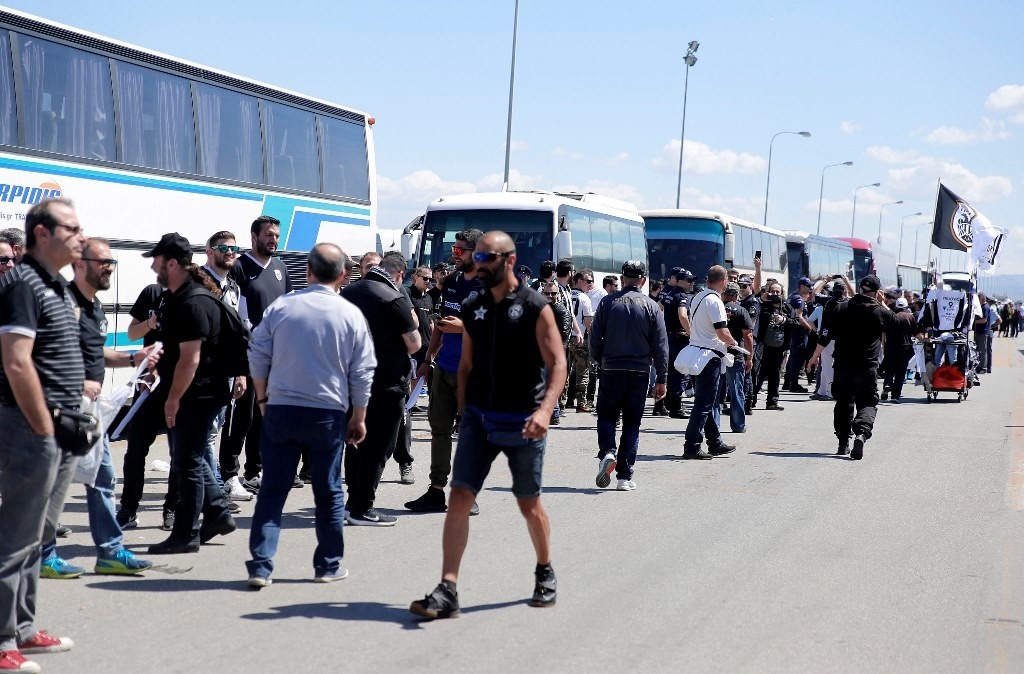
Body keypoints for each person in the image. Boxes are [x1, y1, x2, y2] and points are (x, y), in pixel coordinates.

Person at [409, 231, 566, 619]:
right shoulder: (473, 304)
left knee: (528, 503)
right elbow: (466, 364)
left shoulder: (535, 306)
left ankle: (544, 570)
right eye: (475, 257)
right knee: (459, 498)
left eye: (485, 258)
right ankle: (447, 588)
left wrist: (545, 411)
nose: (477, 265)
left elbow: (558, 364)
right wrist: (465, 412)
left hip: (523, 420)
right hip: (479, 418)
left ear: (509, 260)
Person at [245, 243, 375, 587]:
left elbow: (257, 353)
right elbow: (363, 371)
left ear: (308, 271)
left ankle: (261, 566)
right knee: (329, 491)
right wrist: (359, 415)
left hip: (281, 409)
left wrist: (263, 399)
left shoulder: (282, 307)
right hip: (327, 413)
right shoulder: (350, 315)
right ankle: (328, 566)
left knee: (272, 491)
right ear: (344, 275)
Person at [39, 239, 159, 579]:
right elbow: (40, 354)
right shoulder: (62, 303)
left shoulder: (94, 307)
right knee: (52, 484)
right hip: (60, 409)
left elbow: (96, 352)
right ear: (79, 264)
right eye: (103, 261)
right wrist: (76, 382)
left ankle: (110, 552)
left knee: (103, 477)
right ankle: (43, 555)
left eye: (111, 262)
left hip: (89, 412)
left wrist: (134, 359)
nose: (109, 267)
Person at [0, 198, 85, 671]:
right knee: (14, 536)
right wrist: (43, 427)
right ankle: (1, 641)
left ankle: (24, 628)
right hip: (31, 427)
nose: (79, 236)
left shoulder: (57, 286)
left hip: (60, 428)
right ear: (42, 234)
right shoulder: (23, 284)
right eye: (71, 228)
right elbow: (16, 362)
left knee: (37, 534)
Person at [145, 233, 240, 554]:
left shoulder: (192, 301)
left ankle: (186, 533)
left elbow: (190, 359)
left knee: (186, 463)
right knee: (193, 458)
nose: (153, 267)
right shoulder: (184, 296)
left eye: (156, 261)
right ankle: (218, 514)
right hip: (199, 393)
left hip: (197, 396)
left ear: (172, 263)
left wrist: (173, 399)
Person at [405, 229, 483, 515]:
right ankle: (436, 491)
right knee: (439, 431)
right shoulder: (450, 282)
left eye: (460, 251)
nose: (455, 255)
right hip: (444, 369)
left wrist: (465, 327)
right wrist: (428, 359)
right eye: (453, 250)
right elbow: (441, 323)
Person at [342, 251, 420, 525]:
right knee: (378, 447)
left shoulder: (348, 293)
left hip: (351, 380)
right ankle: (362, 507)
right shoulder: (394, 298)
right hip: (386, 382)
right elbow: (414, 344)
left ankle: (352, 502)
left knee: (355, 443)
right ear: (399, 275)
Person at [222, 216, 294, 495]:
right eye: (268, 235)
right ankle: (229, 475)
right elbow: (234, 314)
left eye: (276, 235)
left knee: (264, 417)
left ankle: (255, 471)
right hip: (247, 356)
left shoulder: (280, 268)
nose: (273, 240)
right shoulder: (239, 267)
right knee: (241, 417)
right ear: (254, 237)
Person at [589, 260, 668, 489]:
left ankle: (607, 452)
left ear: (622, 279)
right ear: (643, 281)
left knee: (606, 416)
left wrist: (600, 360)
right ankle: (624, 476)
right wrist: (662, 378)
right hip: (639, 371)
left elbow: (594, 338)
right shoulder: (651, 306)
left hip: (611, 369)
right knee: (632, 423)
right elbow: (661, 346)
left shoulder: (607, 302)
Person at [808, 275, 897, 460]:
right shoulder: (879, 312)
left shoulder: (841, 308)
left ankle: (843, 443)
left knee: (843, 403)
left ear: (860, 289)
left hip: (843, 365)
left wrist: (814, 356)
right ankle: (861, 433)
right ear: (877, 292)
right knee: (867, 402)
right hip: (866, 366)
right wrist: (882, 302)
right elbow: (896, 322)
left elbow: (825, 335)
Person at [118, 282, 178, 531]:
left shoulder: (190, 295)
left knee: (179, 452)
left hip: (176, 386)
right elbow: (132, 333)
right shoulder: (152, 293)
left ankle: (172, 508)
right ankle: (128, 509)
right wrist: (149, 324)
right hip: (147, 386)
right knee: (135, 450)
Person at [682, 266, 739, 459]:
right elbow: (722, 332)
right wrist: (733, 343)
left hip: (696, 353)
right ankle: (691, 446)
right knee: (704, 403)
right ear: (723, 281)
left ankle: (715, 442)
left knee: (706, 401)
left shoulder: (698, 296)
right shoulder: (715, 301)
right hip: (709, 356)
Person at [755, 282, 795, 411]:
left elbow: (796, 323)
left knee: (775, 374)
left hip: (779, 347)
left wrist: (784, 320)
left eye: (778, 292)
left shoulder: (787, 308)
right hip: (763, 346)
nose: (775, 294)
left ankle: (772, 401)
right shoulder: (763, 305)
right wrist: (762, 300)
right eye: (773, 291)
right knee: (759, 374)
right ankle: (751, 400)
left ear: (782, 293)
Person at [721, 282, 754, 433]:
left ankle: (713, 425)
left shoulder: (716, 308)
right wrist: (750, 357)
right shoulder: (741, 310)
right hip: (735, 355)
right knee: (736, 391)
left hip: (716, 354)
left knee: (715, 392)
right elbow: (748, 336)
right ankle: (738, 425)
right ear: (736, 296)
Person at [566, 271, 594, 412]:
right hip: (580, 339)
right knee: (582, 372)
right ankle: (581, 403)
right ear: (578, 281)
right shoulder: (584, 298)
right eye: (588, 281)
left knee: (564, 371)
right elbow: (589, 323)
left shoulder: (565, 294)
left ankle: (561, 402)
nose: (590, 284)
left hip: (565, 338)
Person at [881, 297, 918, 403]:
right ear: (906, 306)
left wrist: (884, 346)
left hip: (890, 347)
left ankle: (888, 384)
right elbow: (915, 333)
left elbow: (884, 334)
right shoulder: (910, 317)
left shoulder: (891, 317)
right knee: (900, 372)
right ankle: (895, 395)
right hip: (905, 347)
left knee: (889, 369)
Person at [973, 293, 999, 374]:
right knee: (979, 350)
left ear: (981, 299)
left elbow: (984, 320)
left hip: (983, 332)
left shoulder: (985, 308)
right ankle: (980, 366)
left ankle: (982, 367)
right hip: (980, 331)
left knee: (982, 350)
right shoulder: (983, 307)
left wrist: (974, 322)